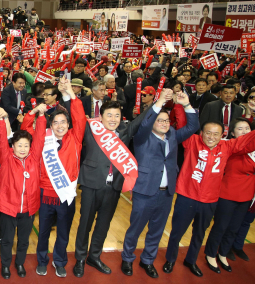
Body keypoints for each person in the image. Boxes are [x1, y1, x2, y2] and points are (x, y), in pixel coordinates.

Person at [120, 90, 199, 278]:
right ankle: (127, 258)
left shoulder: (172, 135)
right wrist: (159, 102)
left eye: (166, 121)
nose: (164, 123)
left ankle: (147, 260)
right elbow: (145, 123)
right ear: (152, 121)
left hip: (166, 193)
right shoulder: (142, 137)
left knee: (156, 230)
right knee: (136, 228)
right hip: (144, 191)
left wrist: (186, 105)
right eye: (159, 120)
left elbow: (193, 127)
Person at [163, 119, 255, 277]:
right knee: (177, 232)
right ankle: (170, 259)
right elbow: (184, 124)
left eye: (216, 134)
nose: (211, 137)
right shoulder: (192, 141)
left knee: (199, 233)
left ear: (223, 135)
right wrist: (183, 104)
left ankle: (191, 260)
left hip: (210, 200)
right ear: (201, 134)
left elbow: (248, 141)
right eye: (208, 133)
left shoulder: (227, 147)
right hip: (187, 196)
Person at [73, 98, 149, 278]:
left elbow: (140, 120)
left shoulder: (124, 131)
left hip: (114, 187)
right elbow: (76, 116)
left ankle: (94, 256)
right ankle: (80, 259)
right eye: (109, 115)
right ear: (101, 116)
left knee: (103, 225)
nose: (113, 119)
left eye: (117, 115)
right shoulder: (91, 129)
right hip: (92, 184)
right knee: (85, 224)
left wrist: (158, 102)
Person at [22, 77, 85, 278]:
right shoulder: (44, 136)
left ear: (68, 124)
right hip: (45, 193)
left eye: (63, 122)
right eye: (56, 122)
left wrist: (71, 94)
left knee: (64, 232)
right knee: (43, 231)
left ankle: (60, 261)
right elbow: (25, 130)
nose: (60, 125)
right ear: (51, 123)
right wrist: (33, 112)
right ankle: (42, 260)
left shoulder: (75, 138)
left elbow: (80, 117)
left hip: (66, 194)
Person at [0, 101, 44, 279]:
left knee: (24, 241)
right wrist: (1, 121)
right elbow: (0, 140)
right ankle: (6, 265)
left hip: (28, 209)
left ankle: (20, 263)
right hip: (8, 208)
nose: (23, 149)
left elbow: (39, 137)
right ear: (13, 146)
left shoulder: (34, 158)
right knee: (7, 240)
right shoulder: (6, 157)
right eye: (19, 145)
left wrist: (42, 116)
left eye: (26, 145)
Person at [204, 118, 255, 273]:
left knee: (234, 228)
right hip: (228, 193)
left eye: (247, 128)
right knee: (220, 226)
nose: (245, 131)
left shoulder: (253, 149)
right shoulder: (228, 147)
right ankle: (211, 254)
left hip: (247, 195)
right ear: (232, 132)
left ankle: (223, 253)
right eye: (240, 129)